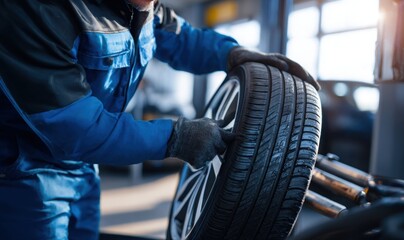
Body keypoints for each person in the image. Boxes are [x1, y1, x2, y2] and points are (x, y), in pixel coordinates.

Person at [0, 0, 318, 239]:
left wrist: (230, 53)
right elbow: (74, 128)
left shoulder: (146, 9)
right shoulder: (35, 10)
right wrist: (173, 137)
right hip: (23, 172)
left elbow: (183, 39)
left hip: (83, 169)